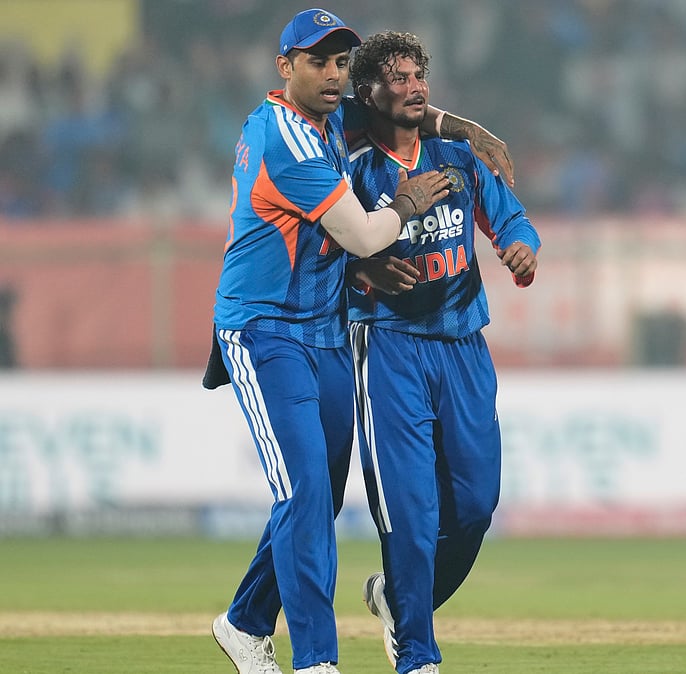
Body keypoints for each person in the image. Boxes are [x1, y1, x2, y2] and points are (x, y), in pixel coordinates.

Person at [207, 9, 511, 674]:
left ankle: (245, 620)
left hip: (325, 330)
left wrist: (460, 127)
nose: (334, 74)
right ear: (285, 66)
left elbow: (400, 112)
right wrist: (405, 206)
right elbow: (368, 234)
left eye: (342, 62)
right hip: (265, 328)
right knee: (307, 494)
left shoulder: (327, 117)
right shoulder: (287, 135)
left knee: (316, 489)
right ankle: (317, 660)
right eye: (319, 61)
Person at [343, 30, 539, 674]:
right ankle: (418, 656)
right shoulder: (351, 167)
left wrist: (519, 248)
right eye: (396, 78)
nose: (413, 86)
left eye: (418, 74)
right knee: (409, 510)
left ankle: (400, 602)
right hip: (390, 348)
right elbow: (319, 254)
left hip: (463, 347)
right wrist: (360, 273)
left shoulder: (459, 157)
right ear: (367, 92)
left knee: (477, 504)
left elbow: (509, 217)